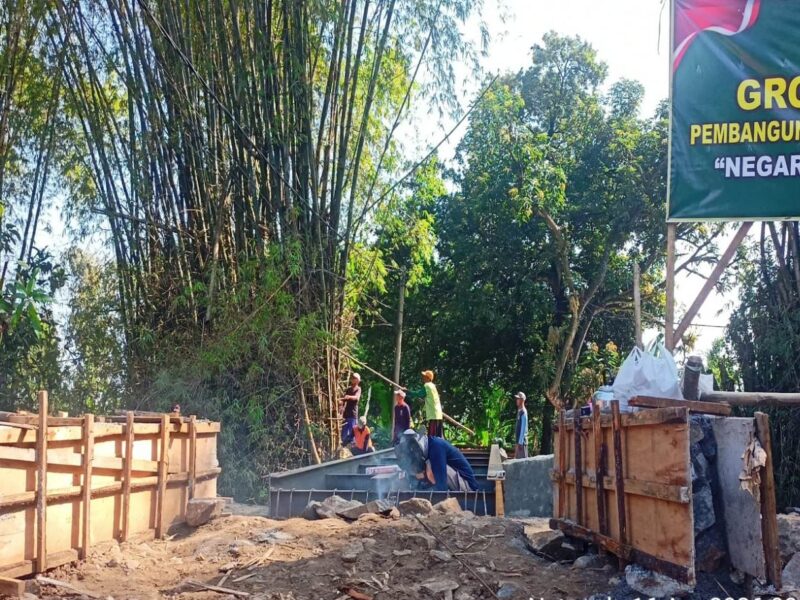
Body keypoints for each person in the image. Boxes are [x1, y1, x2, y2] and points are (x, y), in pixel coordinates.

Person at [395, 430, 478, 492]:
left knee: (431, 465)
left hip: (467, 487)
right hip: (453, 483)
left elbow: (441, 487)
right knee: (428, 466)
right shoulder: (430, 449)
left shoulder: (436, 447)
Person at [407, 370, 443, 437]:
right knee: (438, 436)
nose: (423, 378)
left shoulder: (427, 385)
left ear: (429, 378)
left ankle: (432, 447)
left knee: (432, 436)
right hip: (438, 413)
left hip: (433, 414)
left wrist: (408, 391)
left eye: (425, 376)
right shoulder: (433, 386)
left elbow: (419, 394)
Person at [339, 373, 362, 446]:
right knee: (344, 432)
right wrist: (341, 403)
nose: (352, 379)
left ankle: (353, 448)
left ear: (357, 381)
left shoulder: (358, 389)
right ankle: (342, 447)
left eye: (354, 378)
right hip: (346, 414)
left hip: (353, 414)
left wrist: (349, 397)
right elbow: (343, 399)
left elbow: (356, 398)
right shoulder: (348, 389)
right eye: (352, 378)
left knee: (353, 432)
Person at [514, 391, 529, 458]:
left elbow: (523, 428)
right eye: (516, 399)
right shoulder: (519, 411)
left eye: (518, 399)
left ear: (522, 400)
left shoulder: (523, 412)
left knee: (523, 463)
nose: (517, 400)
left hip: (522, 443)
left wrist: (520, 442)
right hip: (518, 442)